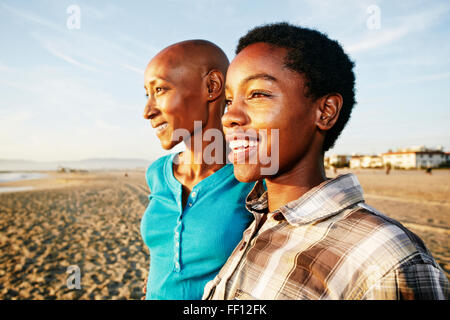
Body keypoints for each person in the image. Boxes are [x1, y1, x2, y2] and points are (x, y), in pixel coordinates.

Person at [203, 23, 449, 300]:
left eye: (258, 94)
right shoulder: (259, 220)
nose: (228, 117)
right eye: (228, 101)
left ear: (325, 111)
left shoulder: (386, 260)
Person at [141, 40, 254, 300]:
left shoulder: (250, 179)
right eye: (146, 94)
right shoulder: (157, 173)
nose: (147, 111)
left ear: (212, 86)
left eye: (160, 89)